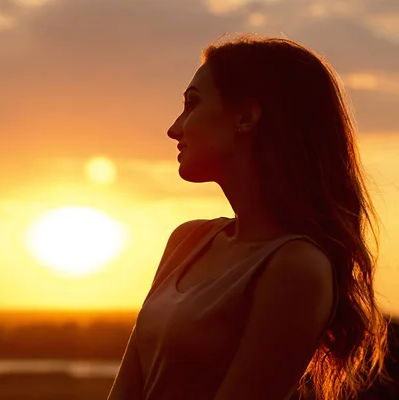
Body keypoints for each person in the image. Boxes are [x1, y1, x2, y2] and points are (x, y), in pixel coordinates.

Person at [107, 34, 393, 400]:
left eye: (191, 105)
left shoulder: (295, 267)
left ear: (245, 117)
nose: (175, 128)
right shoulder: (187, 241)